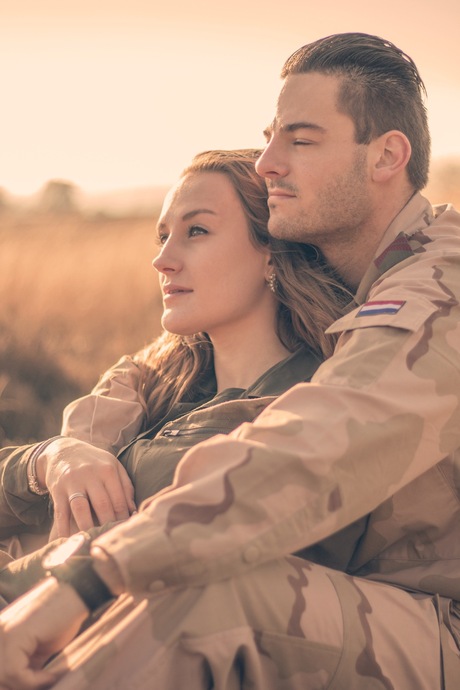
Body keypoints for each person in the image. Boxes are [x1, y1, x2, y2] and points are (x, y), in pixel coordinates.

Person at [0, 31, 459, 690]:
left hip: (437, 625)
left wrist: (88, 576)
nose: (269, 162)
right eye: (269, 137)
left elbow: (312, 447)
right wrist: (72, 449)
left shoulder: (442, 288)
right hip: (360, 604)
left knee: (211, 592)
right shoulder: (355, 283)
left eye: (300, 141)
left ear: (387, 155)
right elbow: (151, 370)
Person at [0, 148, 348, 591]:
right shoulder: (148, 382)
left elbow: (130, 562)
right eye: (162, 236)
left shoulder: (304, 407)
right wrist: (51, 457)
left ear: (271, 253)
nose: (162, 259)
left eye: (196, 231)